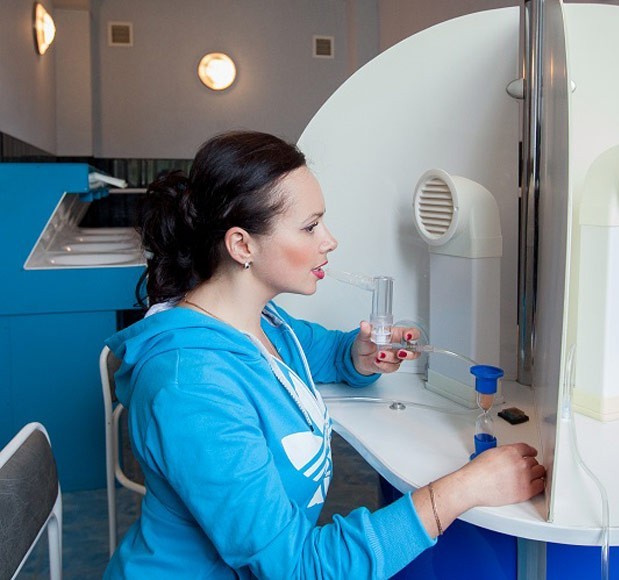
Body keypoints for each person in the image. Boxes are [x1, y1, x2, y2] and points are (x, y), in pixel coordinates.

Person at [105, 130, 546, 579]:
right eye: (310, 226)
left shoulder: (262, 323)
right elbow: (299, 569)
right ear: (242, 246)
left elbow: (326, 352)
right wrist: (463, 489)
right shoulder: (191, 388)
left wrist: (359, 354)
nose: (329, 240)